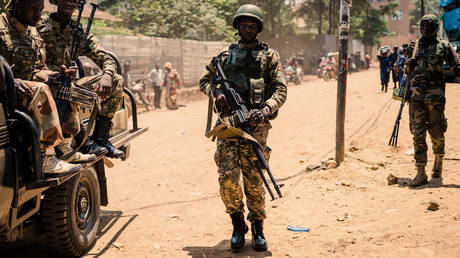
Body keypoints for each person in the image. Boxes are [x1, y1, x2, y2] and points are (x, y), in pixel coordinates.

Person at [199, 4, 287, 252]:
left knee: (255, 179)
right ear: (237, 27)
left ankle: (258, 228)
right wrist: (216, 93)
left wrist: (266, 109)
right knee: (227, 178)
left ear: (258, 28)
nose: (248, 29)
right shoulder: (224, 56)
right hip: (228, 126)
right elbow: (205, 82)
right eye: (244, 25)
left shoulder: (270, 56)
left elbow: (280, 90)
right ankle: (238, 225)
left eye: (252, 25)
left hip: (256, 127)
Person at [0, 0, 82, 175]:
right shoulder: (1, 27)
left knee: (62, 80)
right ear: (18, 5)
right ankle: (45, 156)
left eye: (41, 10)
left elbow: (37, 66)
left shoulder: (32, 31)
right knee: (40, 89)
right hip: (6, 89)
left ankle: (66, 144)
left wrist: (56, 74)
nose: (38, 15)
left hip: (26, 86)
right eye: (34, 9)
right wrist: (10, 80)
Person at [37, 0, 125, 159]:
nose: (70, 3)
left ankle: (101, 137)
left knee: (116, 80)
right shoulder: (38, 27)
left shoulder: (78, 32)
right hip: (44, 84)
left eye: (75, 1)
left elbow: (105, 57)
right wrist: (53, 74)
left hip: (69, 86)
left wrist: (107, 74)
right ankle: (81, 141)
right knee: (64, 86)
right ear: (55, 1)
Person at [405, 14, 460, 187]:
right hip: (416, 96)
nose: (425, 29)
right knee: (417, 133)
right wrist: (409, 64)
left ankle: (438, 161)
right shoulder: (414, 46)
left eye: (429, 26)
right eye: (423, 25)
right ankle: (421, 171)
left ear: (435, 28)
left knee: (436, 132)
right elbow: (407, 70)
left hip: (435, 97)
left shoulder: (444, 46)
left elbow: (456, 67)